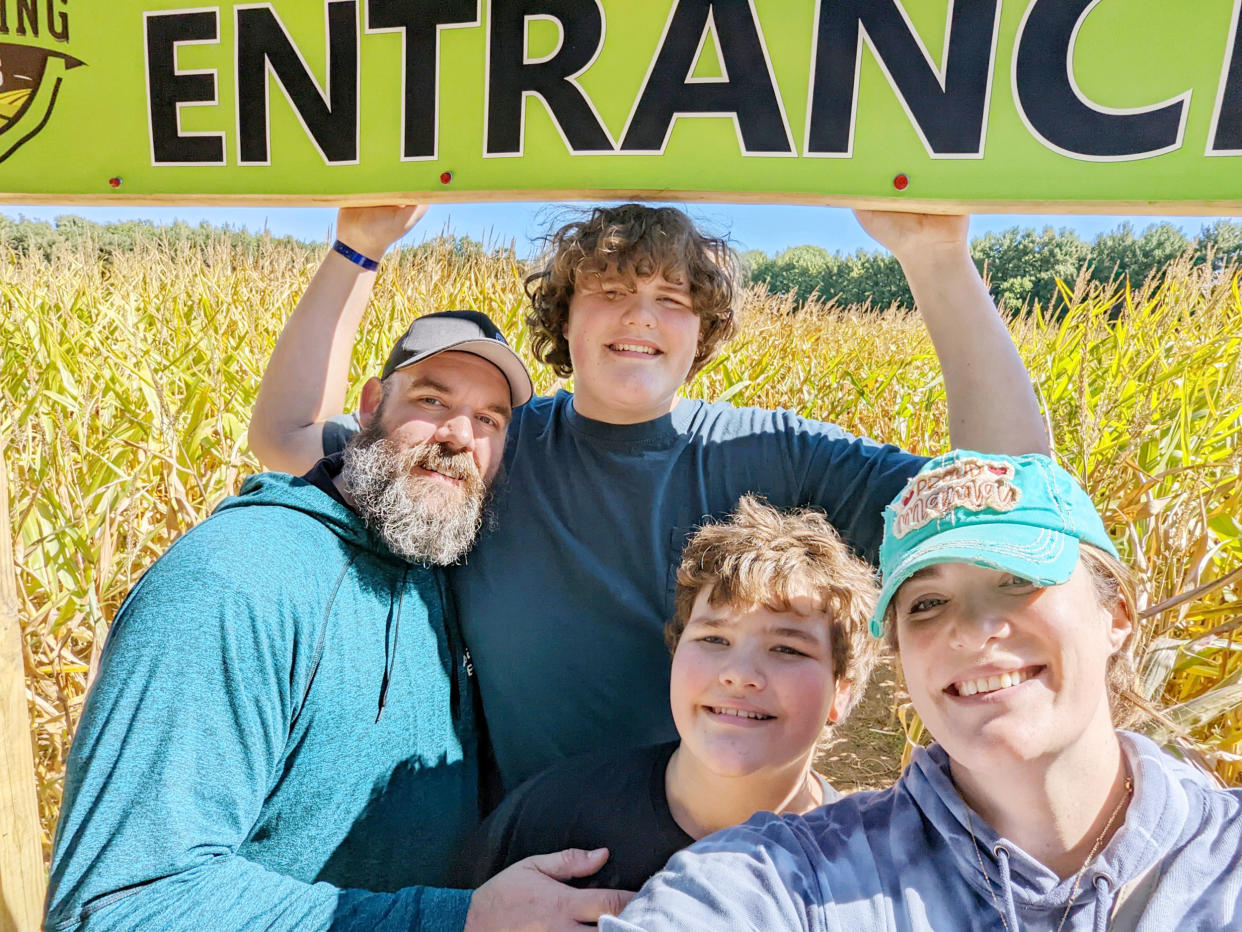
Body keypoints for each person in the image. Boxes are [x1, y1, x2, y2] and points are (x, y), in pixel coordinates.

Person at [249, 204, 1051, 792]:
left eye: (673, 299)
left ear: (703, 335)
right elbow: (286, 435)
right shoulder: (496, 442)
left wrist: (938, 257)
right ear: (564, 324)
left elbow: (1004, 492)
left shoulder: (772, 449)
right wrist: (356, 246)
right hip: (528, 850)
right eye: (608, 289)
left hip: (722, 846)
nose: (640, 316)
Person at [45, 312, 630, 931]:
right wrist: (457, 920)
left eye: (490, 419)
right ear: (371, 404)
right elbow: (120, 904)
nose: (460, 436)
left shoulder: (437, 559)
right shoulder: (236, 579)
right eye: (432, 400)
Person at [603, 451, 1242, 931]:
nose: (970, 630)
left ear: (1119, 615)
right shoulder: (792, 880)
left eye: (1016, 579)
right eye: (929, 602)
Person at [461, 495, 878, 890]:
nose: (739, 675)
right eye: (714, 639)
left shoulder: (870, 873)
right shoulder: (552, 819)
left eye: (787, 648)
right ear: (676, 652)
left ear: (841, 692)